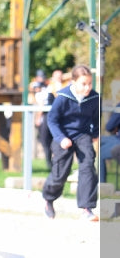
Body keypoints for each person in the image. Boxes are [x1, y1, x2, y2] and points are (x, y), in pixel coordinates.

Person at [42, 64, 100, 221]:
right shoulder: (62, 98)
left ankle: (87, 208)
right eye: (83, 83)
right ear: (73, 82)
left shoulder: (94, 98)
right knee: (61, 172)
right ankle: (48, 198)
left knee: (88, 166)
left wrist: (95, 134)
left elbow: (96, 118)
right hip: (63, 135)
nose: (88, 87)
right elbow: (52, 120)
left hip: (82, 134)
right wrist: (61, 138)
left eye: (89, 83)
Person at [99, 103, 120, 183]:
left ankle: (101, 185)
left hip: (118, 140)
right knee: (99, 140)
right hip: (116, 138)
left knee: (100, 153)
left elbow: (109, 126)